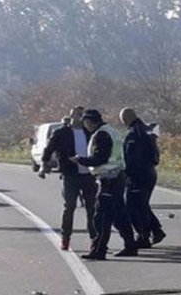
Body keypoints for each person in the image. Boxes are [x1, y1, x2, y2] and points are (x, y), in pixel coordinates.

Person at [71, 109, 138, 260]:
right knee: (119, 215)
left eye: (86, 123)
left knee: (101, 217)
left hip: (109, 179)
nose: (85, 126)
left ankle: (99, 250)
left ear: (90, 121)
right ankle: (130, 245)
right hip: (117, 176)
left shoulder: (101, 134)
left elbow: (100, 158)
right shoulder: (111, 130)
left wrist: (80, 160)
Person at [38, 106, 97, 251]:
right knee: (69, 207)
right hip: (70, 175)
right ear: (70, 116)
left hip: (89, 175)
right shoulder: (61, 133)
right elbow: (49, 149)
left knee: (92, 208)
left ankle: (95, 239)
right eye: (76, 115)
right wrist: (43, 166)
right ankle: (65, 239)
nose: (79, 118)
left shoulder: (90, 132)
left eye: (81, 115)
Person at [120, 107, 165, 248]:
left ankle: (145, 235)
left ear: (126, 119)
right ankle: (153, 232)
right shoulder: (146, 130)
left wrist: (126, 172)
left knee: (132, 206)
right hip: (149, 172)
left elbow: (132, 157)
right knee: (141, 204)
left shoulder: (135, 133)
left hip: (139, 174)